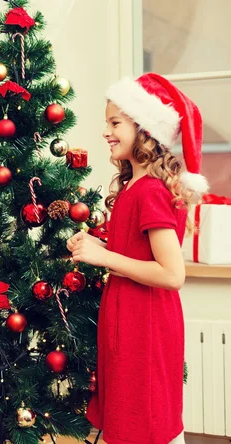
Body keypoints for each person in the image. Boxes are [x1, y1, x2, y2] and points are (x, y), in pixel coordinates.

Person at [67, 73, 208, 444]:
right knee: (129, 421)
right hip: (127, 318)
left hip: (145, 325)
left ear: (144, 129)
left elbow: (171, 273)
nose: (106, 132)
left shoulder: (150, 192)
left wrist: (103, 256)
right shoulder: (133, 186)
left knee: (145, 422)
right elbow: (135, 248)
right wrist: (97, 243)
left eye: (115, 122)